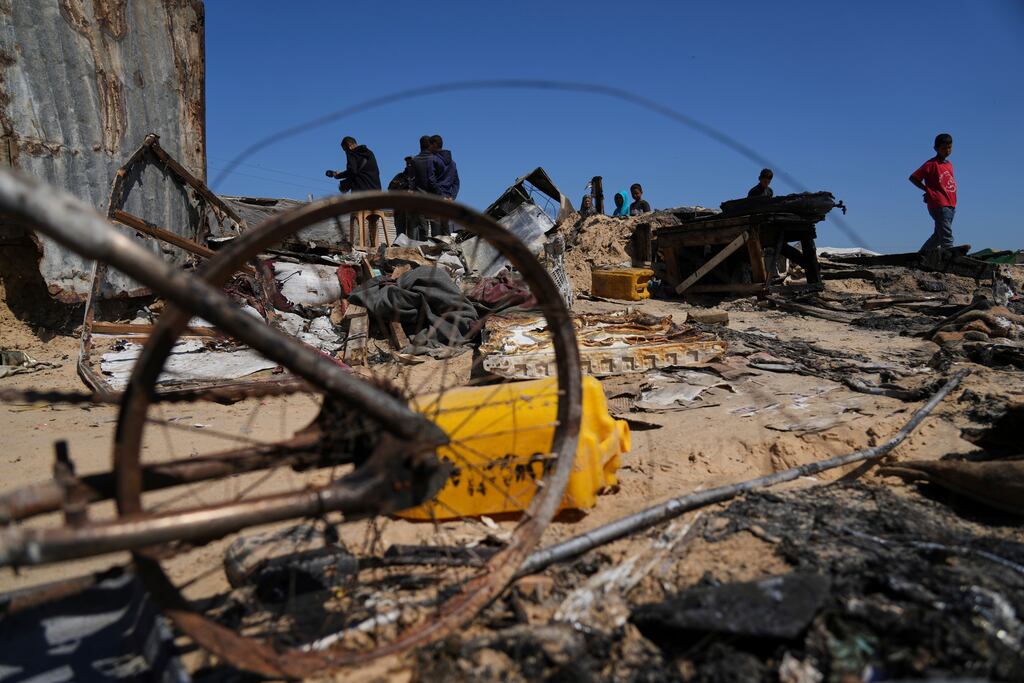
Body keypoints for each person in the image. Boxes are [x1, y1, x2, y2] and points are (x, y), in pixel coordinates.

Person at [909, 133, 960, 254]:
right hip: (939, 204)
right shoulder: (931, 164)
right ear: (936, 149)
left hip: (951, 204)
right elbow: (913, 177)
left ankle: (922, 255)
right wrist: (927, 190)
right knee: (946, 234)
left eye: (949, 148)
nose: (947, 151)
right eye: (944, 148)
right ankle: (950, 254)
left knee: (938, 235)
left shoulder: (949, 164)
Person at [408, 136, 442, 239]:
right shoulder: (435, 159)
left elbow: (412, 181)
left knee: (423, 231)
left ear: (420, 145)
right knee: (437, 231)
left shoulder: (414, 161)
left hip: (420, 199)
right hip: (434, 199)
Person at [430, 135, 460, 200]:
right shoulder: (453, 163)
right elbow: (456, 183)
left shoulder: (433, 160)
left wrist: (441, 195)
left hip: (435, 198)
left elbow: (431, 180)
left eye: (430, 145)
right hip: (448, 199)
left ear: (434, 144)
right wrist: (452, 197)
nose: (429, 148)